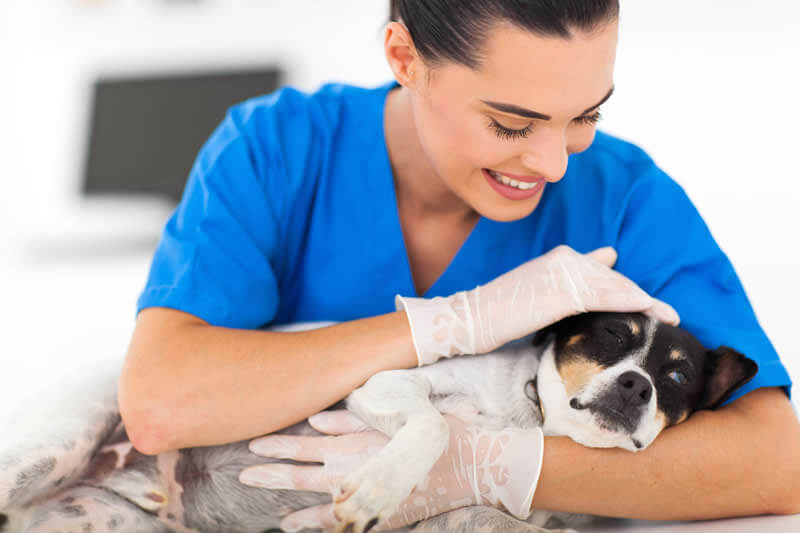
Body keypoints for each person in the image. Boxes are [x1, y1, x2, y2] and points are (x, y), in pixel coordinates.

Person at [118, 0, 800, 529]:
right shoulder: (275, 151)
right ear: (403, 56)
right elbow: (160, 400)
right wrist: (444, 326)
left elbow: (774, 462)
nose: (556, 164)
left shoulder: (625, 199)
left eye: (584, 115)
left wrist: (486, 465)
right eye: (511, 124)